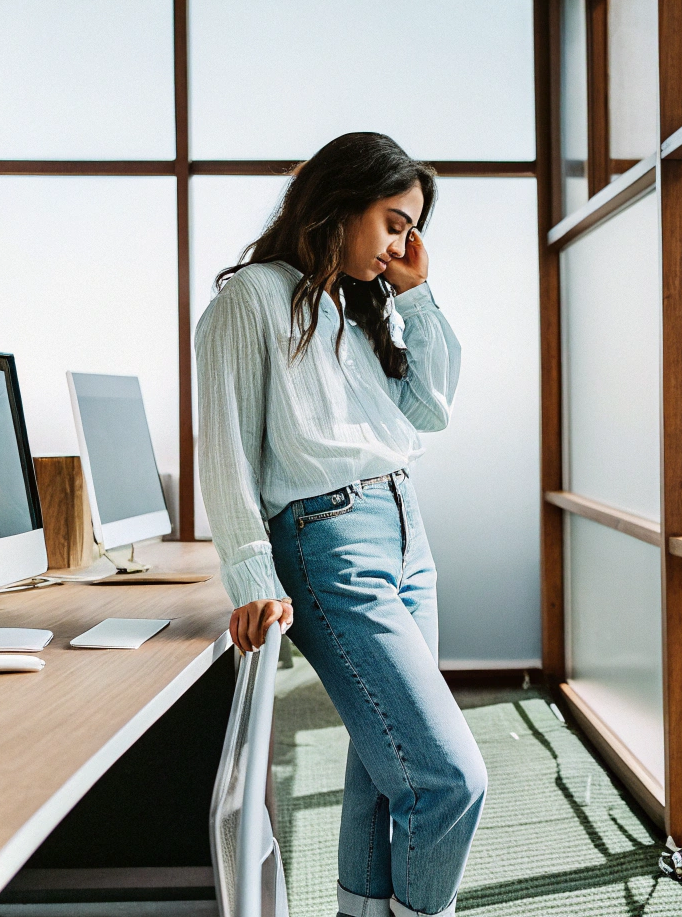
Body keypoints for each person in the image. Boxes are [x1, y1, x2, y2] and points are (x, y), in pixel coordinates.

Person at [195, 132, 486, 917]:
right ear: (340, 201)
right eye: (395, 221)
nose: (403, 242)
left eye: (412, 228)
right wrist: (253, 578)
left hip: (405, 533)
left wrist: (416, 296)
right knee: (448, 778)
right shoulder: (249, 298)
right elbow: (223, 449)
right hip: (329, 543)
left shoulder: (349, 306)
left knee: (380, 772)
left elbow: (430, 410)